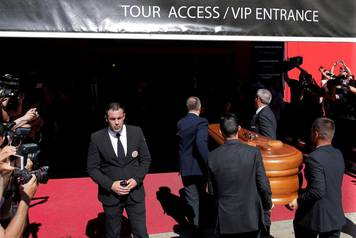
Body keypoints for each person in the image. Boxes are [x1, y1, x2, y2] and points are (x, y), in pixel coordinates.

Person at [87, 102, 151, 238]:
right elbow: (92, 168)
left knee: (141, 233)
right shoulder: (96, 138)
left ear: (124, 117)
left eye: (119, 118)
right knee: (113, 234)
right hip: (111, 196)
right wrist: (111, 185)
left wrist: (136, 180)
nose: (116, 122)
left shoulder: (136, 132)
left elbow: (146, 159)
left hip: (135, 193)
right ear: (106, 119)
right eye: (112, 119)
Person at [208, 113, 272, 238]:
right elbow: (263, 185)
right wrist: (267, 204)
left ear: (220, 131)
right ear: (239, 129)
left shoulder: (212, 157)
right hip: (250, 217)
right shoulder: (253, 153)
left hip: (226, 220)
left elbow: (212, 191)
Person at [288, 117, 345, 238]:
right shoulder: (339, 154)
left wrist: (298, 200)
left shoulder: (314, 158)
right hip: (335, 216)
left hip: (313, 219)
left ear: (316, 133)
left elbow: (318, 190)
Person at [176, 96, 209, 234]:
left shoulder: (180, 122)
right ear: (200, 108)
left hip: (186, 166)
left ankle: (194, 226)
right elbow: (200, 143)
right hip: (200, 166)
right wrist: (210, 162)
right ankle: (200, 228)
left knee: (191, 198)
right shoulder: (202, 122)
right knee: (201, 196)